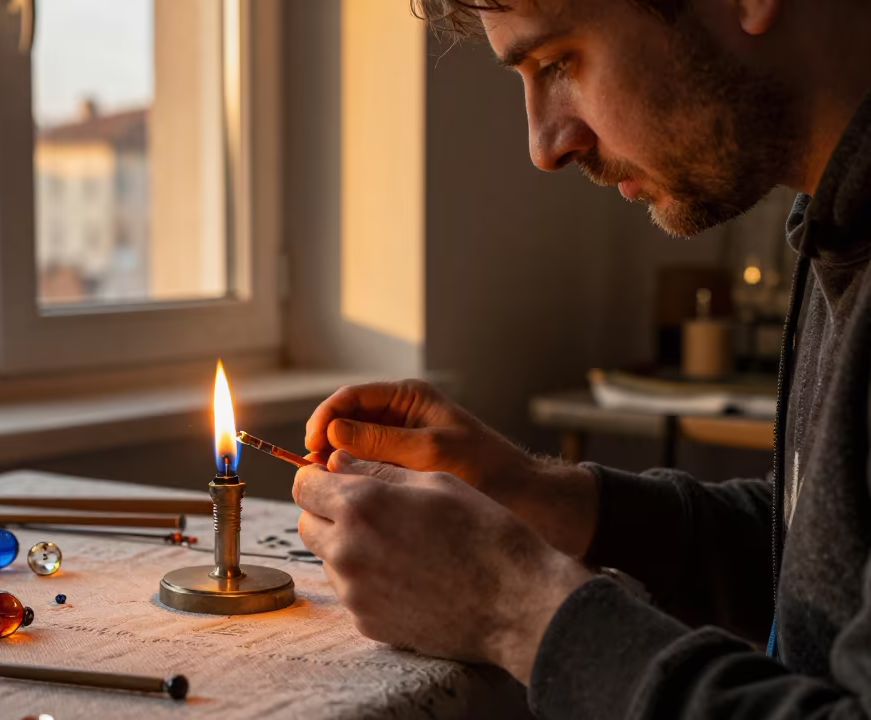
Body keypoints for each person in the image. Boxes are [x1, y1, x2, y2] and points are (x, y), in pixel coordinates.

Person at [291, 0, 871, 717]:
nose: (545, 145)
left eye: (560, 62)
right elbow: (827, 559)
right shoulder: (842, 225)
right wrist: (549, 498)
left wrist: (512, 606)